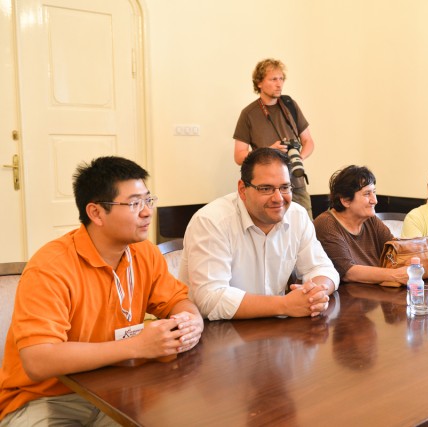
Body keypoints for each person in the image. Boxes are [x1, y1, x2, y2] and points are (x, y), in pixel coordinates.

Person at [0, 156, 204, 426]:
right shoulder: (51, 267)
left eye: (148, 200)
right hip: (44, 398)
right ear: (96, 213)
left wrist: (191, 320)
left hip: (116, 387)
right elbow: (38, 361)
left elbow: (177, 300)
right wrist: (135, 346)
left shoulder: (143, 252)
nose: (147, 212)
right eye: (134, 203)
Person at [179, 148, 338, 321]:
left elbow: (321, 268)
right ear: (242, 189)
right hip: (216, 330)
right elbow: (210, 298)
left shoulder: (297, 215)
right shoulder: (211, 221)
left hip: (276, 327)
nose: (278, 198)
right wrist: (285, 304)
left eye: (285, 187)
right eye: (266, 188)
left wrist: (315, 294)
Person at [314, 165, 428, 286]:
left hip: (375, 294)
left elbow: (395, 251)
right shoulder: (326, 223)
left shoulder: (370, 219)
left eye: (374, 192)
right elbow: (348, 272)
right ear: (345, 200)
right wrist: (395, 275)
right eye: (367, 194)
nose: (374, 200)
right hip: (347, 298)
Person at [233, 58, 315, 218]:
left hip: (296, 184)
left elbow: (308, 141)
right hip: (266, 189)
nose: (279, 84)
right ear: (259, 83)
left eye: (281, 79)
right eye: (273, 79)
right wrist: (268, 151)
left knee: (306, 227)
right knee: (271, 228)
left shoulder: (290, 105)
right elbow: (238, 155)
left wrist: (299, 157)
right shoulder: (249, 114)